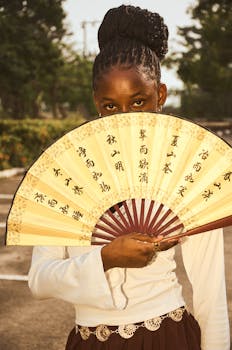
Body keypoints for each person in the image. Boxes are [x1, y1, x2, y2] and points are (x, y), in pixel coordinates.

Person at [28, 5, 230, 350]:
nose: (124, 119)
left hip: (169, 337)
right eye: (110, 106)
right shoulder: (67, 172)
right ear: (96, 102)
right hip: (90, 341)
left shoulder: (186, 170)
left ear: (160, 96)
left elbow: (212, 296)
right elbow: (38, 281)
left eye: (138, 102)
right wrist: (105, 258)